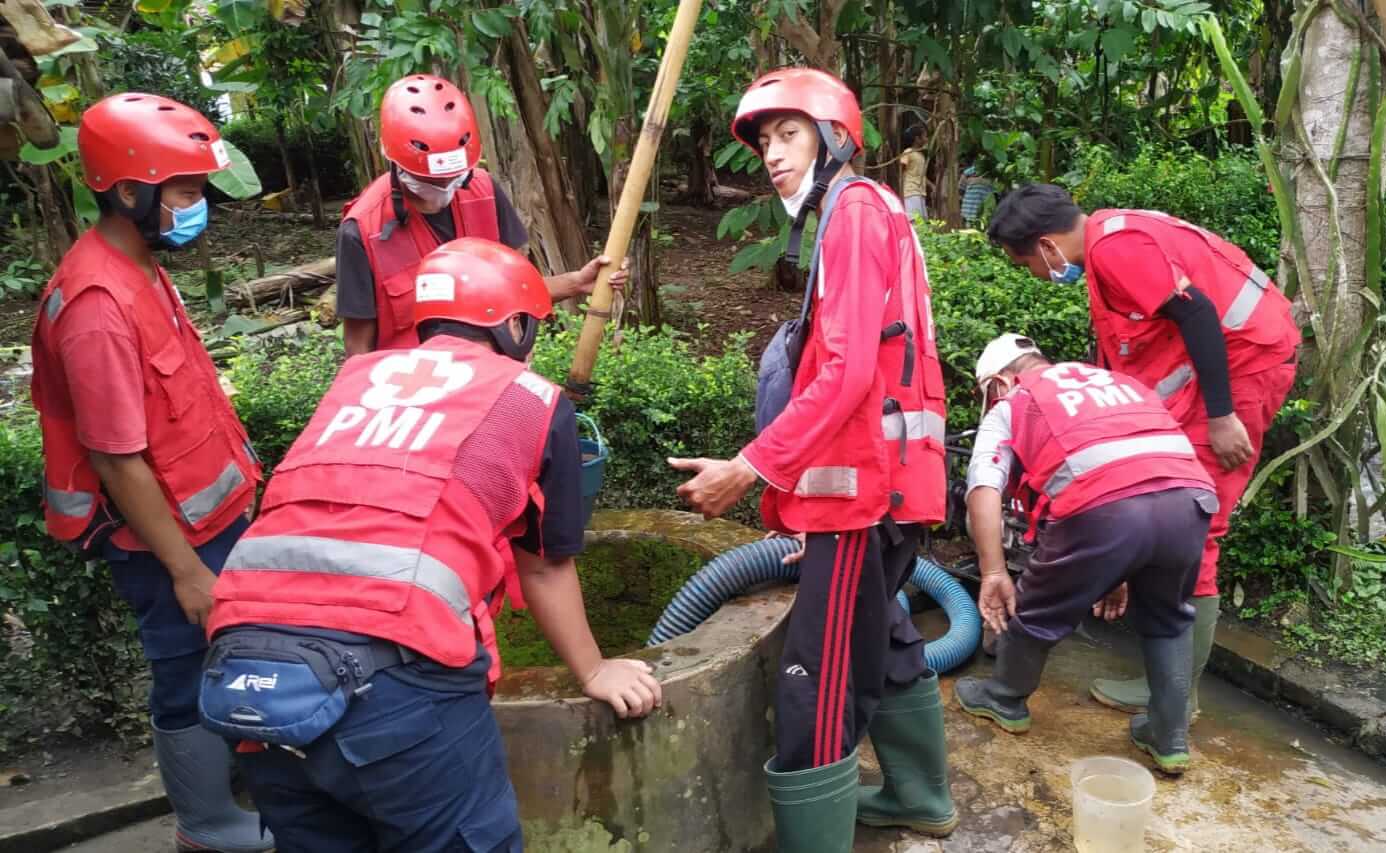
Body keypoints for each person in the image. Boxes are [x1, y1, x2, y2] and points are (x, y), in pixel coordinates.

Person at [198, 238, 662, 852]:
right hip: (390, 686)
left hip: (245, 671)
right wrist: (595, 668)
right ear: (518, 326)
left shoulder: (357, 378)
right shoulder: (531, 398)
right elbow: (544, 567)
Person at [669, 69, 952, 852]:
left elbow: (850, 372)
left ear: (832, 140)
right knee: (884, 632)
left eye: (787, 134)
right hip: (885, 487)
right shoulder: (859, 214)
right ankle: (919, 794)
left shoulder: (854, 212)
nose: (770, 154)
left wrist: (749, 466)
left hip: (867, 493)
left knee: (815, 679)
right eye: (763, 141)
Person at [29, 94, 271, 852]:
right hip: (165, 541)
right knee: (184, 669)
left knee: (228, 653)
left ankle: (242, 788)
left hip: (210, 520)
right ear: (129, 192)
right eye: (186, 193)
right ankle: (206, 824)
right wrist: (187, 571)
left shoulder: (139, 268)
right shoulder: (98, 305)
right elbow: (116, 457)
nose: (200, 209)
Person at [986, 184, 1299, 721]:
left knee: (1199, 523)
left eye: (1025, 264)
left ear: (1046, 247)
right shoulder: (1111, 238)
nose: (1034, 275)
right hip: (1231, 369)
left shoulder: (1114, 249)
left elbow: (1196, 314)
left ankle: (1176, 700)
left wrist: (1223, 417)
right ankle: (1168, 684)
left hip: (1241, 373)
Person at [954, 334, 1218, 774]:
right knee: (1170, 620)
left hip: (1103, 509)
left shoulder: (1015, 403)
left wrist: (993, 570)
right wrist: (1118, 572)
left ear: (1001, 381)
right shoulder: (1116, 382)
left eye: (987, 394)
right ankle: (1169, 737)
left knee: (1037, 610)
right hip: (1190, 501)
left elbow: (983, 488)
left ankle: (1003, 698)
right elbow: (1139, 469)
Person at [337, 73, 624, 356]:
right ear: (397, 160)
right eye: (432, 179)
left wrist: (576, 282)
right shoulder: (362, 230)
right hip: (415, 388)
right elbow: (358, 348)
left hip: (490, 380)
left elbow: (512, 292)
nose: (444, 186)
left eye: (454, 178)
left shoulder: (483, 191)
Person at [898, 124, 929, 219]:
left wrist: (932, 186)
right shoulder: (908, 152)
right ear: (917, 139)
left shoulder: (920, 155)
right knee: (915, 221)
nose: (927, 139)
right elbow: (901, 173)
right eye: (925, 136)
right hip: (910, 191)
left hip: (920, 191)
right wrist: (901, 194)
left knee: (922, 221)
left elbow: (921, 175)